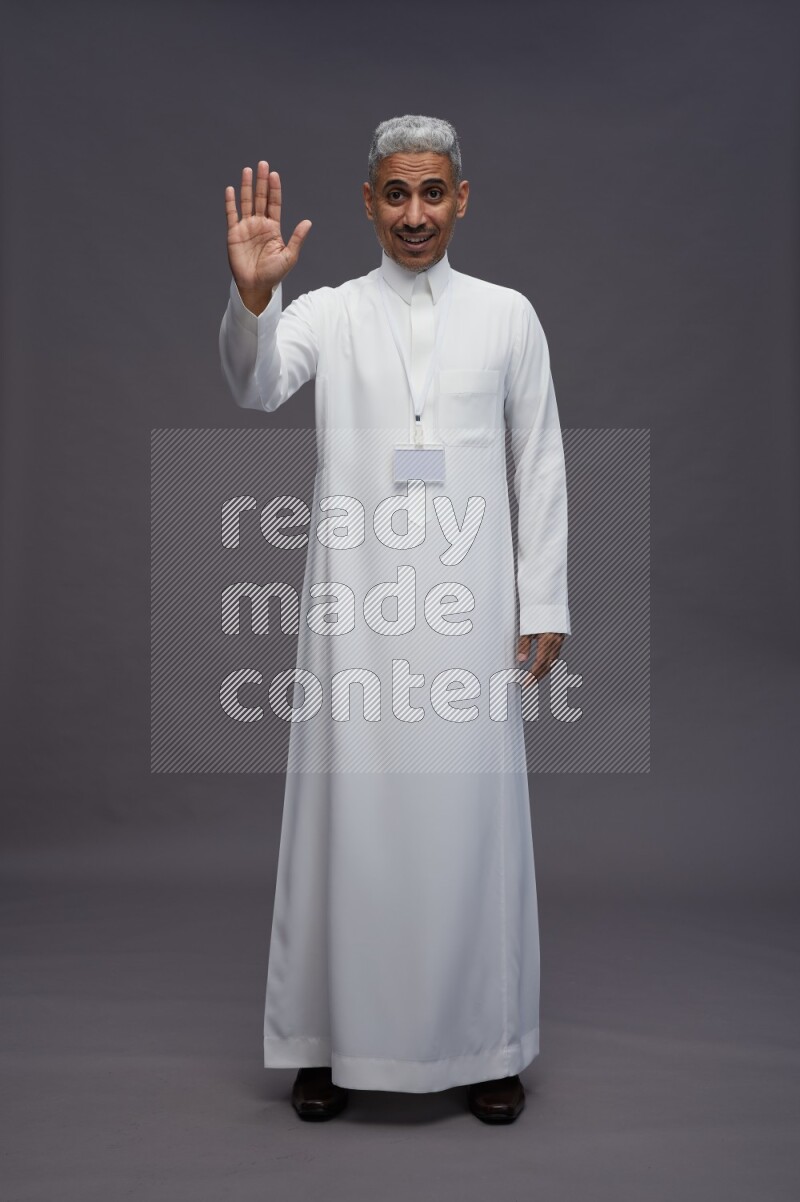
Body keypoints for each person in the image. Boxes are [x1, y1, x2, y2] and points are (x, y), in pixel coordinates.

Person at [218, 115, 571, 1124]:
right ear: (368, 201)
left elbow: (536, 460)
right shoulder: (326, 312)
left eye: (431, 193)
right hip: (355, 608)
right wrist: (254, 303)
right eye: (394, 194)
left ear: (461, 198)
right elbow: (254, 384)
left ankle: (485, 1039)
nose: (413, 214)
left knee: (469, 822)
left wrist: (541, 596)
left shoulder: (507, 315)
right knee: (347, 818)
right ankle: (326, 1039)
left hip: (469, 611)